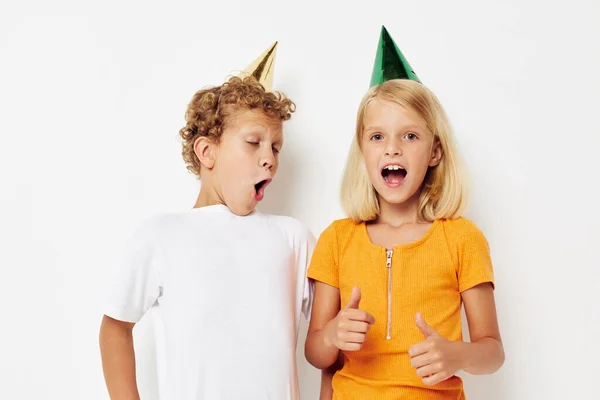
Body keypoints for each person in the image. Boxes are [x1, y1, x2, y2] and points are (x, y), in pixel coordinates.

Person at [99, 42, 315, 400]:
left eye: (276, 147)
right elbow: (114, 328)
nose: (270, 159)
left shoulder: (293, 238)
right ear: (206, 151)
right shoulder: (161, 235)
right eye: (253, 142)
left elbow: (328, 338)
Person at [305, 26, 504, 399]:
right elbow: (317, 353)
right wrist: (332, 334)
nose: (392, 148)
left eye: (410, 136)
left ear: (434, 153)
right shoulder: (337, 239)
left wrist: (456, 354)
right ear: (362, 150)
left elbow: (492, 351)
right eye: (377, 136)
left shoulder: (461, 238)